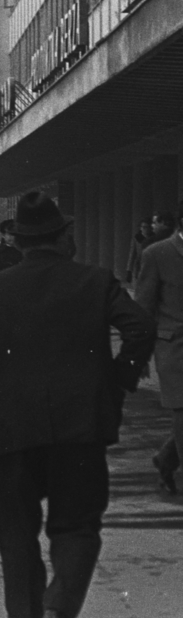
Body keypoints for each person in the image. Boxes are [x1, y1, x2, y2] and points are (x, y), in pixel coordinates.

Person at [0, 192, 153, 618]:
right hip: (81, 429)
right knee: (77, 527)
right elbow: (141, 328)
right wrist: (117, 379)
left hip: (13, 432)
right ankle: (60, 603)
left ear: (19, 242)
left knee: (16, 539)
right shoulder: (95, 281)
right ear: (62, 237)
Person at [137, 205, 183, 495]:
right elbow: (144, 306)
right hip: (174, 346)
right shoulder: (156, 254)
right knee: (182, 408)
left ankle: (166, 458)